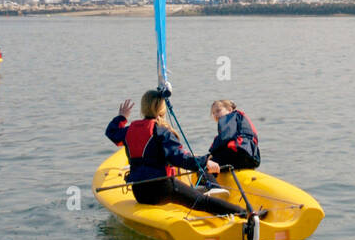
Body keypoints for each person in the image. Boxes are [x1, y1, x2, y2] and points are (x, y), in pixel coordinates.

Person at [105, 90, 256, 216]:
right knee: (203, 202)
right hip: (162, 190)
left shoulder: (129, 130)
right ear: (162, 109)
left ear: (143, 108)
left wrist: (122, 117)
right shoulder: (161, 131)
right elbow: (179, 158)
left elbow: (112, 132)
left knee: (190, 193)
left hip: (140, 192)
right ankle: (247, 215)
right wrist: (204, 162)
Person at [208, 100, 262, 170]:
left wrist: (211, 153)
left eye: (218, 111)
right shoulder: (238, 117)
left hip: (238, 155)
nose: (216, 115)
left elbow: (226, 137)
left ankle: (208, 179)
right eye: (213, 113)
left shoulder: (229, 117)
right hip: (252, 157)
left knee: (206, 164)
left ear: (230, 110)